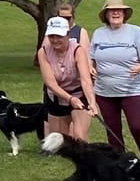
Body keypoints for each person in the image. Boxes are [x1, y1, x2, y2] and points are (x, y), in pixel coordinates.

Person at [88, 0, 140, 157]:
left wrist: (139, 67)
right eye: (112, 10)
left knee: (137, 127)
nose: (116, 12)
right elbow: (91, 56)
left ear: (124, 14)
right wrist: (90, 66)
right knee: (112, 129)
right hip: (104, 91)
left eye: (119, 10)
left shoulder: (135, 31)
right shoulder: (99, 33)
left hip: (132, 90)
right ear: (106, 14)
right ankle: (120, 164)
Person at [37, 15, 96, 143]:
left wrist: (91, 102)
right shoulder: (43, 52)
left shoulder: (78, 50)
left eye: (59, 36)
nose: (55, 40)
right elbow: (50, 84)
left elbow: (86, 80)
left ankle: (84, 160)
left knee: (80, 138)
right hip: (57, 96)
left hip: (79, 93)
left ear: (68, 35)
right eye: (51, 36)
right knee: (61, 141)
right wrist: (70, 99)